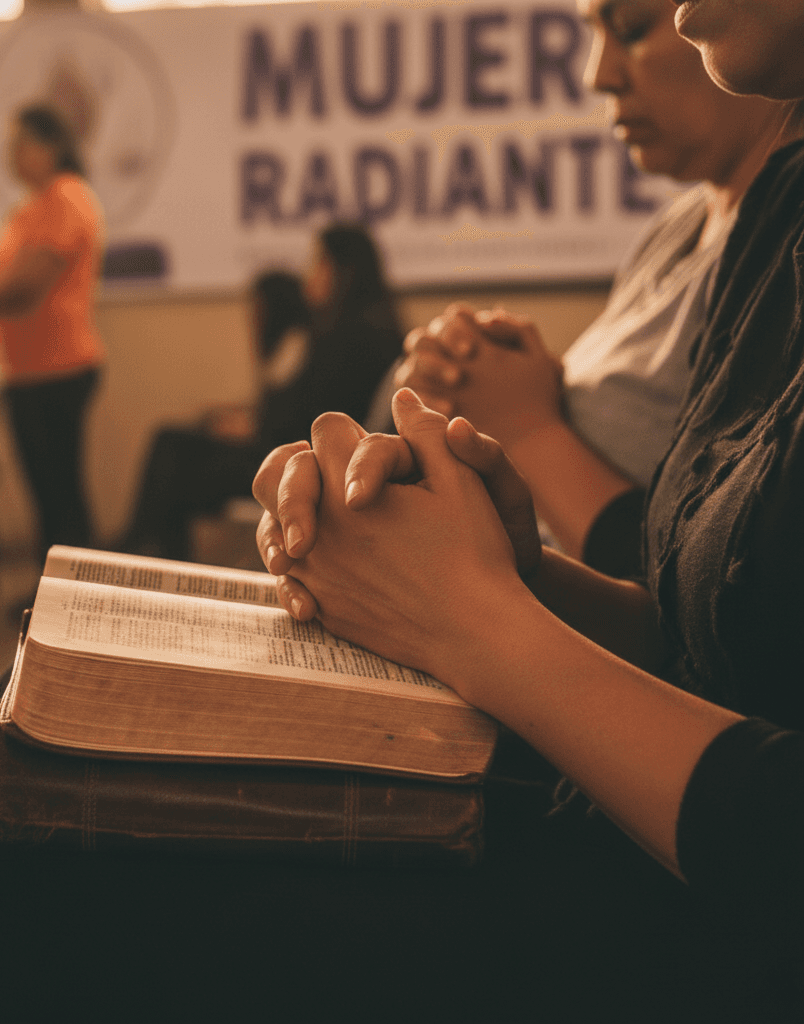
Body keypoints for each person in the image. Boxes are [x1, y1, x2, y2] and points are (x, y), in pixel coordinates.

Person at [250, 0, 804, 1009]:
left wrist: (475, 616)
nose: (608, 67)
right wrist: (507, 563)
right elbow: (721, 640)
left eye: (627, 25)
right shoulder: (769, 213)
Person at [388, 0, 788, 578]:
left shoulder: (779, 244)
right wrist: (496, 380)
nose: (598, 74)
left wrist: (526, 428)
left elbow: (704, 596)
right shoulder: (679, 225)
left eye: (629, 29)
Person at [116, 224, 402, 561]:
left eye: (318, 263)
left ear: (342, 270)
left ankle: (147, 549)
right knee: (176, 445)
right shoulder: (362, 329)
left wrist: (254, 427)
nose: (311, 274)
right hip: (293, 449)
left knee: (174, 458)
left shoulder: (349, 337)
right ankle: (149, 546)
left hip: (299, 462)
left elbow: (316, 418)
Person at [0, 104, 106, 556]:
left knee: (59, 494)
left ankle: (72, 597)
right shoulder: (35, 206)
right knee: (47, 496)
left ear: (52, 148)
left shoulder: (64, 197)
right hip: (29, 371)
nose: (11, 155)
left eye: (20, 144)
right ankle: (52, 593)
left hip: (56, 369)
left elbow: (26, 286)